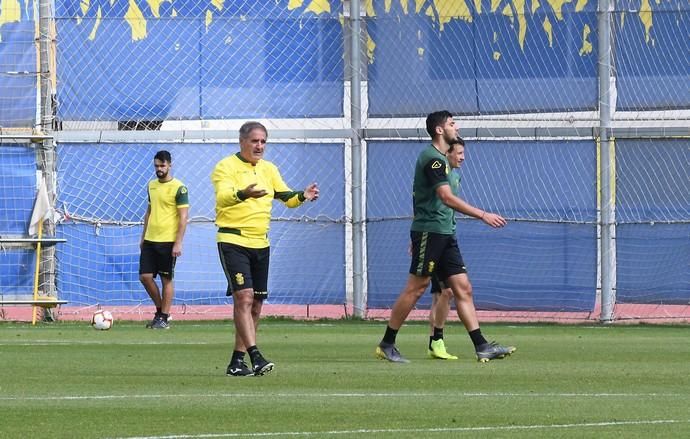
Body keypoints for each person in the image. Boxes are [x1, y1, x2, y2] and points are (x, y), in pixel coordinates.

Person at [376, 110, 515, 363]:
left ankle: (481, 345)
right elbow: (446, 198)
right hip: (431, 233)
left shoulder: (443, 161)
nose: (456, 127)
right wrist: (482, 215)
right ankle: (387, 343)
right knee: (416, 288)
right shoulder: (434, 159)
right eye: (452, 124)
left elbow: (426, 198)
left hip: (444, 234)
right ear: (440, 130)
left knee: (463, 288)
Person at [212, 121, 320, 377]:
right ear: (242, 142)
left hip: (261, 243)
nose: (259, 146)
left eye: (263, 141)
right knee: (244, 297)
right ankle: (256, 356)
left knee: (256, 305)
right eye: (254, 141)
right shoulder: (225, 167)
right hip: (233, 240)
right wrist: (243, 194)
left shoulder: (269, 169)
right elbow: (223, 198)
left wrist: (303, 196)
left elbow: (286, 197)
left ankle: (237, 362)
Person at [139, 150, 189, 330]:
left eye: (162, 165)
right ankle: (161, 311)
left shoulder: (179, 188)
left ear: (170, 165)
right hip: (150, 240)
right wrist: (143, 236)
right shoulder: (151, 185)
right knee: (145, 277)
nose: (159, 169)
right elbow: (149, 212)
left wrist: (178, 242)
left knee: (166, 279)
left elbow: (183, 217)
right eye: (156, 166)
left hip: (168, 241)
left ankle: (164, 318)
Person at [427, 139, 465, 360]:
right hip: (434, 237)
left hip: (446, 236)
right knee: (447, 291)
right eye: (458, 153)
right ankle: (436, 341)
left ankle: (433, 343)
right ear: (447, 153)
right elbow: (425, 204)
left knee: (440, 295)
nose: (462, 157)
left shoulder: (455, 176)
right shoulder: (436, 172)